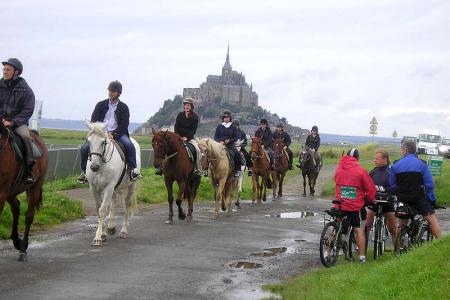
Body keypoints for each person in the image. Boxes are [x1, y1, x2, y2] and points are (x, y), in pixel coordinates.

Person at [78, 80, 142, 183]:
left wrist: (113, 134)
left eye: (113, 91)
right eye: (110, 90)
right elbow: (94, 120)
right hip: (100, 134)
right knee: (84, 148)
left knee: (129, 145)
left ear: (118, 93)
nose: (111, 93)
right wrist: (101, 133)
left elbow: (124, 125)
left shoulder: (124, 107)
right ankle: (84, 172)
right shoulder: (100, 105)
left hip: (118, 134)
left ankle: (132, 171)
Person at [389, 141, 441, 239]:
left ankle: (398, 249)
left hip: (403, 199)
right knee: (432, 220)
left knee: (401, 223)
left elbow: (393, 185)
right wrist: (431, 199)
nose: (401, 151)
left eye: (401, 149)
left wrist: (399, 194)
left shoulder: (396, 165)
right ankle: (441, 244)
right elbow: (429, 185)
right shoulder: (422, 164)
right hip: (419, 198)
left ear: (405, 150)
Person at [334, 148, 376, 263]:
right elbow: (370, 189)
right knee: (359, 230)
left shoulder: (339, 168)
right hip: (355, 206)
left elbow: (336, 182)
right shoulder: (360, 171)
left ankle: (329, 249)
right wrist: (370, 199)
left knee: (338, 224)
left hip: (339, 203)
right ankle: (362, 258)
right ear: (357, 158)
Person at [0, 58, 36, 184]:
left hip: (18, 123)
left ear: (16, 72)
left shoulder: (27, 90)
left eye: (8, 70)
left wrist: (12, 122)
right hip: (1, 120)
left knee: (26, 137)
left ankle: (29, 171)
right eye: (4, 69)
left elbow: (28, 110)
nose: (5, 72)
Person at [365, 149, 397, 243]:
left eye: (377, 159)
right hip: (374, 201)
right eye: (375, 158)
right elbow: (366, 185)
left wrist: (385, 189)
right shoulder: (373, 171)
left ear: (385, 159)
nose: (375, 160)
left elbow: (395, 187)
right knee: (366, 227)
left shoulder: (391, 172)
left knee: (392, 229)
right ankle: (363, 250)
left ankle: (398, 252)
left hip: (387, 202)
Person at [174, 97, 202, 177]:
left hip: (189, 138)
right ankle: (163, 167)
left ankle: (197, 169)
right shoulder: (180, 115)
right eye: (186, 105)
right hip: (179, 137)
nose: (187, 106)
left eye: (188, 105)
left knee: (197, 150)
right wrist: (178, 136)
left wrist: (187, 137)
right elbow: (176, 126)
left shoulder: (195, 116)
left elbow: (194, 129)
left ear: (191, 106)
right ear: (184, 106)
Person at [214, 110, 242, 177]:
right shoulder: (219, 126)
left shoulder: (233, 127)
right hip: (220, 145)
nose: (226, 118)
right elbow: (215, 137)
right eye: (225, 117)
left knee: (237, 154)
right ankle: (207, 169)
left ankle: (237, 170)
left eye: (228, 117)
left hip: (230, 145)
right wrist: (220, 141)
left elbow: (236, 137)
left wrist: (229, 141)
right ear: (223, 118)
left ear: (230, 118)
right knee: (211, 153)